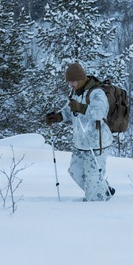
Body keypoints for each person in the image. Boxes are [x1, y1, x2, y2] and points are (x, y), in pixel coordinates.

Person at [43, 62, 113, 202]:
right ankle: (103, 189)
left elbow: (99, 113)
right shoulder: (75, 93)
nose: (71, 84)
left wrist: (81, 108)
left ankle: (96, 205)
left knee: (92, 181)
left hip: (96, 143)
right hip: (80, 143)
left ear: (81, 79)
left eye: (73, 81)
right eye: (69, 81)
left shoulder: (96, 93)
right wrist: (57, 117)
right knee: (75, 172)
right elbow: (68, 111)